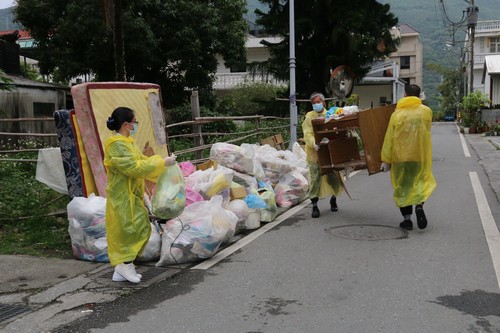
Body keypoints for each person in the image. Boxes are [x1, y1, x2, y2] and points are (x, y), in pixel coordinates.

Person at [104, 107, 176, 283]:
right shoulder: (117, 145)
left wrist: (162, 164)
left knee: (139, 227)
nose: (135, 125)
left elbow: (142, 161)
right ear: (127, 124)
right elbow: (133, 168)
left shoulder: (128, 142)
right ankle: (123, 266)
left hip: (132, 195)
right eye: (134, 122)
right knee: (129, 231)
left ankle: (124, 268)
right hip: (122, 196)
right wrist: (161, 163)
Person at [381, 84, 436, 230]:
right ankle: (419, 206)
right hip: (420, 156)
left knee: (403, 187)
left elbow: (389, 138)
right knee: (419, 183)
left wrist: (386, 159)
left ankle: (407, 220)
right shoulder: (426, 112)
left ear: (405, 94)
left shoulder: (397, 114)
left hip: (401, 158)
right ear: (419, 96)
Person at [302, 92, 343, 218]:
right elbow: (307, 132)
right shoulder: (309, 117)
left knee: (333, 177)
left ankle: (334, 198)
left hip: (329, 152)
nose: (316, 105)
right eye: (314, 103)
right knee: (315, 179)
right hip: (314, 153)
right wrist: (313, 143)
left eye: (318, 102)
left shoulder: (330, 114)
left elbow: (336, 130)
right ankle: (314, 206)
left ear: (324, 103)